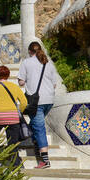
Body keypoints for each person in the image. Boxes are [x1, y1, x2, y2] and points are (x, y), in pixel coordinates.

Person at [17, 40, 62, 168]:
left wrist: (26, 81)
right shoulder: (48, 63)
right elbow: (54, 84)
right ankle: (34, 138)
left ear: (30, 51)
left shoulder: (26, 63)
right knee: (38, 124)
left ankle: (45, 161)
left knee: (40, 128)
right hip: (49, 100)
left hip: (36, 101)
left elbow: (21, 82)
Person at [0, 66, 27, 150]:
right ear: (8, 75)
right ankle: (15, 162)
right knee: (13, 145)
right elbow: (24, 102)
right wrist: (19, 112)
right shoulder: (15, 86)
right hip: (12, 118)